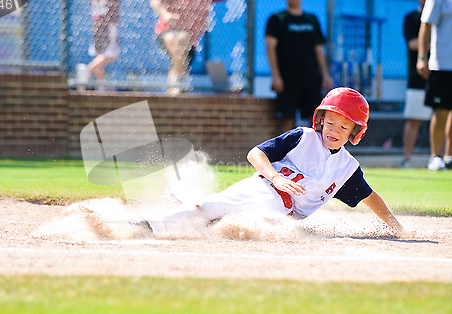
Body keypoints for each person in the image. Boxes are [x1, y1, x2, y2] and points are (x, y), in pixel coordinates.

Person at [133, 88, 404, 237]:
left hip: (283, 216)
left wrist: (398, 228)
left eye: (343, 126)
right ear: (320, 119)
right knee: (210, 206)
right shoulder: (303, 137)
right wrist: (276, 177)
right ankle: (149, 225)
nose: (333, 130)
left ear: (355, 132)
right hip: (262, 188)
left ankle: (189, 217)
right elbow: (255, 153)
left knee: (247, 225)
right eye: (330, 122)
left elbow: (369, 197)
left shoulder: (346, 169)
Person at [265, 0, 333, 134]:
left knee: (317, 120)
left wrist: (325, 74)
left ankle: (315, 154)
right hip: (287, 81)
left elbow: (319, 50)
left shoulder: (312, 20)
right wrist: (276, 76)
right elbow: (270, 48)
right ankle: (284, 154)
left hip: (311, 79)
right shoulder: (277, 19)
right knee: (286, 119)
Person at [150, 0, 214, 96]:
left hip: (191, 42)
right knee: (178, 39)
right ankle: (177, 83)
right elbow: (155, 2)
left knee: (178, 66)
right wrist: (165, 15)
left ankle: (175, 88)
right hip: (169, 31)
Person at [416, 0, 452, 170]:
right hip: (442, 65)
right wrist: (422, 57)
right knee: (441, 111)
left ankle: (449, 156)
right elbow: (426, 24)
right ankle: (435, 157)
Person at [401, 0, 432, 168]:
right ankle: (407, 160)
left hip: (440, 75)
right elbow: (412, 43)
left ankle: (441, 158)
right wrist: (435, 42)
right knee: (414, 119)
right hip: (417, 77)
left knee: (443, 117)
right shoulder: (410, 17)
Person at [87, 0, 120, 88]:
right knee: (112, 55)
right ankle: (87, 70)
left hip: (97, 24)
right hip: (108, 24)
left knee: (99, 56)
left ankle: (101, 88)